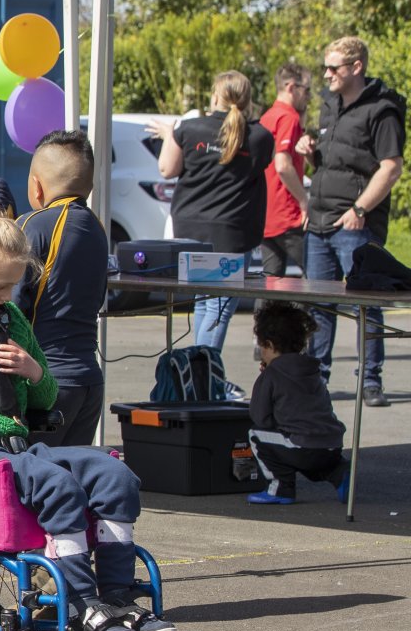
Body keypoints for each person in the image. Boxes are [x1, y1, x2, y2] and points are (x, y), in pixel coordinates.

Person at [0, 202, 176, 631]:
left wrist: (33, 371)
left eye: (13, 285)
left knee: (114, 474)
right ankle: (85, 606)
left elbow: (45, 399)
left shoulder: (11, 319)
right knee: (56, 484)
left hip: (16, 449)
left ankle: (117, 599)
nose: (7, 295)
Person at [303, 36, 405, 407]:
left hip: (355, 224)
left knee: (366, 303)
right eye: (325, 67)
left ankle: (371, 380)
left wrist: (359, 210)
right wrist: (309, 152)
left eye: (334, 68)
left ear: (356, 67)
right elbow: (332, 163)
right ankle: (316, 381)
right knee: (319, 305)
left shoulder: (382, 109)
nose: (326, 74)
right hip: (319, 222)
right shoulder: (329, 105)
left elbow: (391, 168)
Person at [147, 71, 274, 358]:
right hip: (232, 234)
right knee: (217, 306)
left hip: (190, 229)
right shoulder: (260, 137)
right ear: (248, 100)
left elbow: (167, 169)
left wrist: (169, 135)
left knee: (204, 302)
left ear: (215, 96)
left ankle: (200, 367)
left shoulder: (189, 129)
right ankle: (203, 370)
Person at [15, 130, 108, 446]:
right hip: (89, 382)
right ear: (89, 187)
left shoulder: (33, 224)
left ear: (37, 186)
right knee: (72, 472)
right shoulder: (96, 228)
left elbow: (10, 305)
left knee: (31, 472)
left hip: (45, 381)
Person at [247, 302, 350, 506]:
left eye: (262, 347)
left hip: (303, 447)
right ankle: (339, 473)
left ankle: (280, 488)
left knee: (256, 435)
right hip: (332, 445)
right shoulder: (313, 370)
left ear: (270, 345)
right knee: (312, 451)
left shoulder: (271, 374)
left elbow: (260, 417)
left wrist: (264, 381)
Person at [259, 64, 313, 280]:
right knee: (321, 277)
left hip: (267, 216)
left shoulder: (267, 116)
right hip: (288, 214)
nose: (309, 97)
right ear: (291, 87)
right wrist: (304, 201)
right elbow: (282, 164)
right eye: (307, 90)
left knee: (271, 283)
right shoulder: (288, 117)